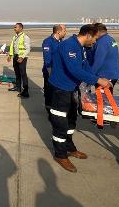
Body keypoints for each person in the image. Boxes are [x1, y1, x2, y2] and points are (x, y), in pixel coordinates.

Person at [48, 24, 112, 173]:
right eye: (95, 38)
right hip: (60, 89)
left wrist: (98, 78)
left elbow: (85, 66)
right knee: (60, 123)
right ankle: (60, 155)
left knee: (71, 120)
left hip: (72, 89)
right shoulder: (68, 46)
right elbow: (75, 70)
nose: (95, 42)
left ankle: (69, 148)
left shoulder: (81, 47)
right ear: (88, 35)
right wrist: (97, 80)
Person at [42, 24, 66, 114]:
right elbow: (47, 61)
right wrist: (51, 75)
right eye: (64, 31)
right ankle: (49, 111)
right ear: (58, 32)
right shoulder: (48, 42)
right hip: (50, 73)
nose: (65, 33)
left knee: (57, 93)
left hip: (59, 73)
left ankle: (55, 108)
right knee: (49, 93)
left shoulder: (61, 42)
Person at [90, 23, 119, 87]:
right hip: (113, 73)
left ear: (97, 32)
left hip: (105, 76)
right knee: (108, 93)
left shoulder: (102, 42)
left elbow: (98, 61)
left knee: (103, 93)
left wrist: (90, 75)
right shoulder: (110, 39)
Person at [7, 23, 31, 98]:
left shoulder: (25, 37)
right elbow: (12, 46)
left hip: (22, 57)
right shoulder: (15, 37)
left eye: (16, 27)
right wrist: (10, 55)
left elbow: (28, 49)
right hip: (15, 56)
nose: (14, 28)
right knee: (17, 73)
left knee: (23, 73)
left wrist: (22, 57)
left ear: (21, 28)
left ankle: (26, 91)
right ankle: (18, 87)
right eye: (14, 27)